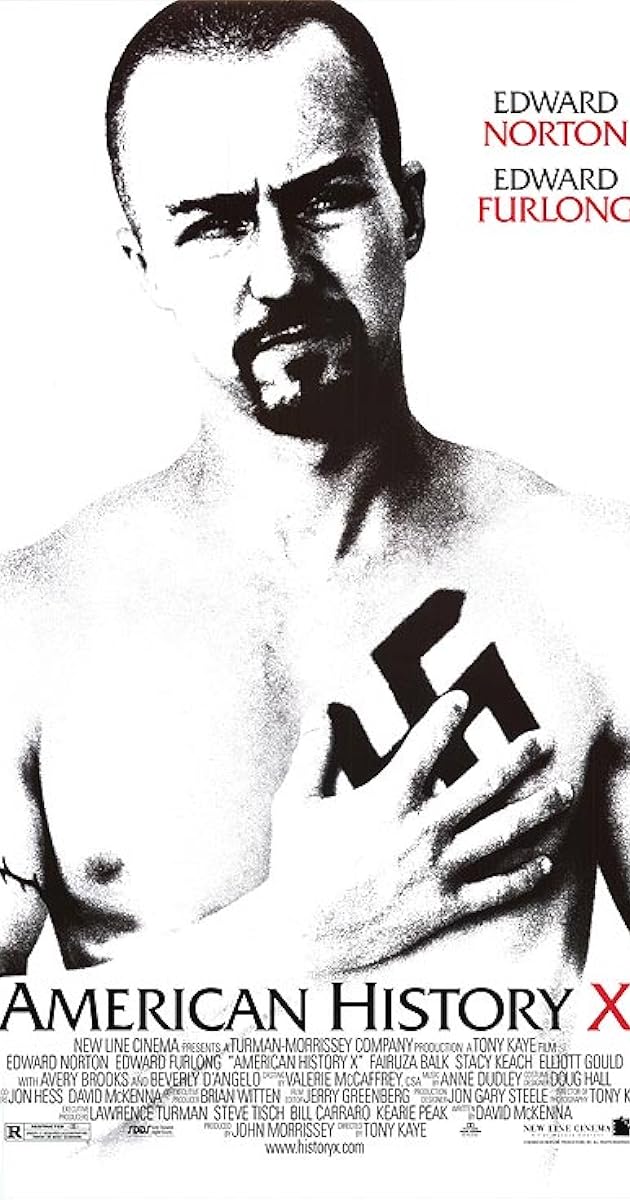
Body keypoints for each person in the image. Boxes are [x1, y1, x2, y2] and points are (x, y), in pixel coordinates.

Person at [0, 0, 626, 988]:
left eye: (326, 199)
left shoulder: (591, 580)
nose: (280, 274)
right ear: (143, 263)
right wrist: (289, 942)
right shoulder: (30, 630)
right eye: (214, 225)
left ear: (408, 209)